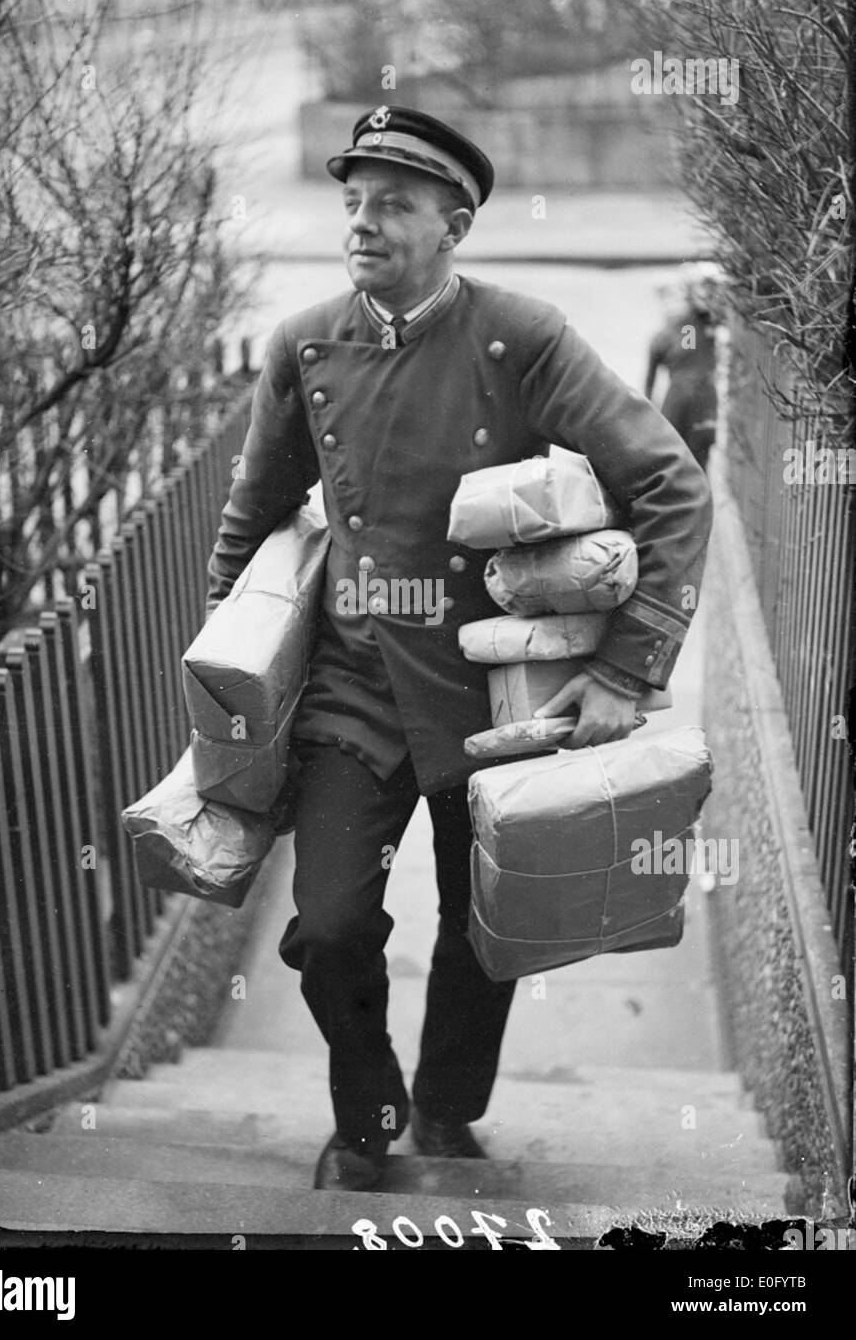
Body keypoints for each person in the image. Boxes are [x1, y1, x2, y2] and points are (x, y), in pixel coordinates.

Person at [204, 106, 713, 1192]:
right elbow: (248, 525)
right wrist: (225, 695)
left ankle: (442, 1110)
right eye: (352, 201)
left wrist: (626, 668)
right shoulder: (302, 343)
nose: (363, 222)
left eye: (392, 205)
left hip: (495, 690)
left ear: (455, 223)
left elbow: (668, 482)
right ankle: (366, 1106)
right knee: (334, 925)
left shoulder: (518, 336)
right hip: (351, 694)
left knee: (487, 929)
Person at [645, 263, 722, 472]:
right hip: (683, 402)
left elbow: (691, 345)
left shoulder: (693, 326)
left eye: (673, 297)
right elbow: (649, 388)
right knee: (677, 460)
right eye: (664, 298)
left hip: (698, 400)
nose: (668, 304)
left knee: (694, 460)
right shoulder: (666, 337)